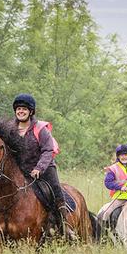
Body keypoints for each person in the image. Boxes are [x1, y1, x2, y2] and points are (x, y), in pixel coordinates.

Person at [11, 93, 76, 240]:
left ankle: (64, 225)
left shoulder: (40, 128)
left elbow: (48, 150)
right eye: (18, 109)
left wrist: (39, 168)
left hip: (44, 168)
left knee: (55, 189)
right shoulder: (11, 129)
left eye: (24, 109)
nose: (21, 111)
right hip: (21, 170)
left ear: (31, 111)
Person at [98, 144, 127, 226]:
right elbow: (108, 183)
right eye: (122, 155)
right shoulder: (113, 168)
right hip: (121, 197)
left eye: (126, 154)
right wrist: (120, 187)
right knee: (106, 213)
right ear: (118, 156)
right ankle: (105, 233)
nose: (124, 157)